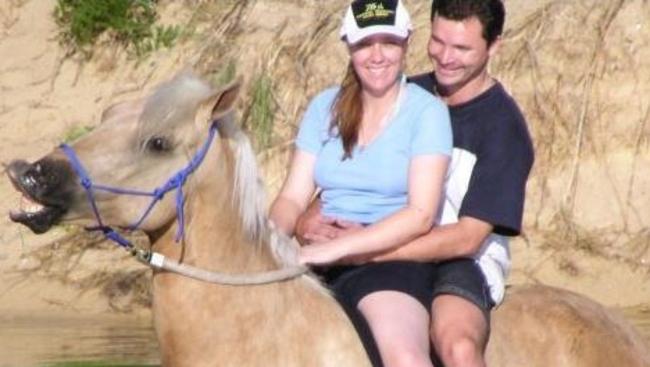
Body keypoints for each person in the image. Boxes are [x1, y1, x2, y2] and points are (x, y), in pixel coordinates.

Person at [294, 1, 535, 367]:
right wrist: (311, 216)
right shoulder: (404, 92)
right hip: (382, 237)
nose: (446, 58)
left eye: (462, 48)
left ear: (494, 46)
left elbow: (467, 237)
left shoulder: (504, 129)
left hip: (461, 257)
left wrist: (360, 250)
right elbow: (352, 172)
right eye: (438, 42)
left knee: (457, 345)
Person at [269, 1, 453, 366]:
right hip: (314, 257)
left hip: (386, 261)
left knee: (406, 358)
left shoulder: (426, 112)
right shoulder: (324, 107)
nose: (378, 55)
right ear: (349, 48)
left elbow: (419, 214)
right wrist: (269, 243)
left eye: (389, 42)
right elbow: (292, 196)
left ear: (406, 43)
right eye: (365, 44)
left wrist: (343, 248)